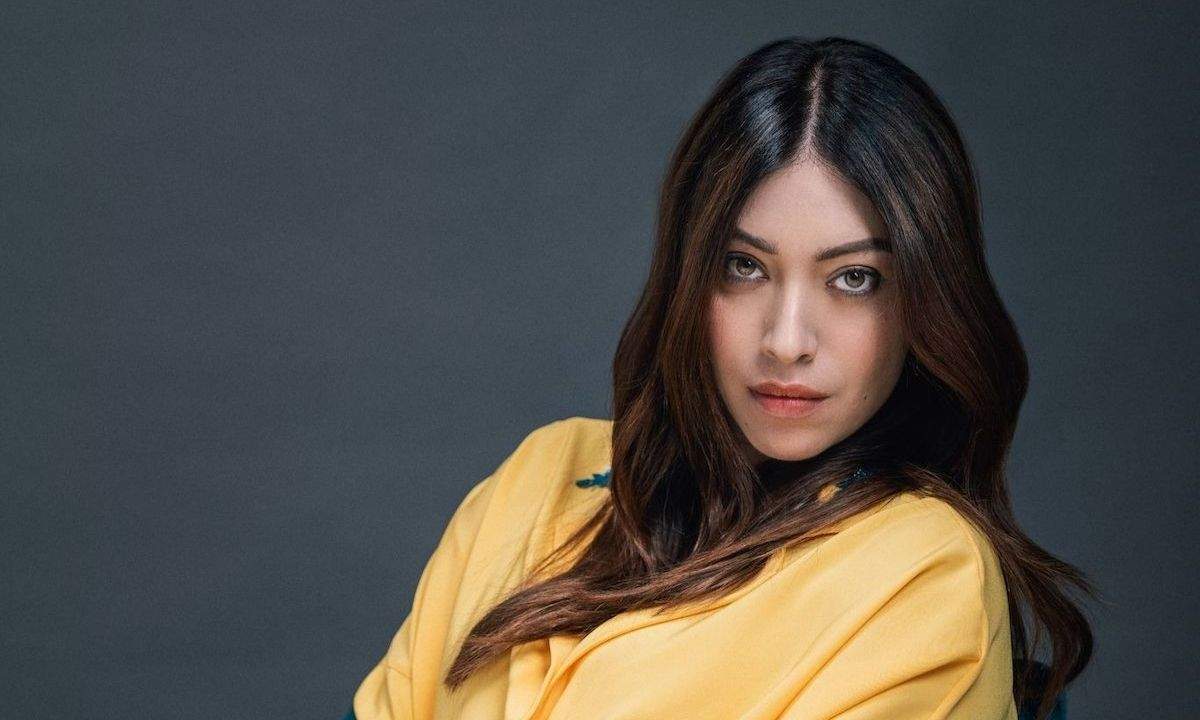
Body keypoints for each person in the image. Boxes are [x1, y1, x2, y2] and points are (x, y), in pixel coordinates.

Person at [345, 36, 1094, 720]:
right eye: (744, 267)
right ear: (688, 274)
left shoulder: (925, 569)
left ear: (925, 301)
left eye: (854, 278)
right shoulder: (541, 475)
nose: (787, 341)